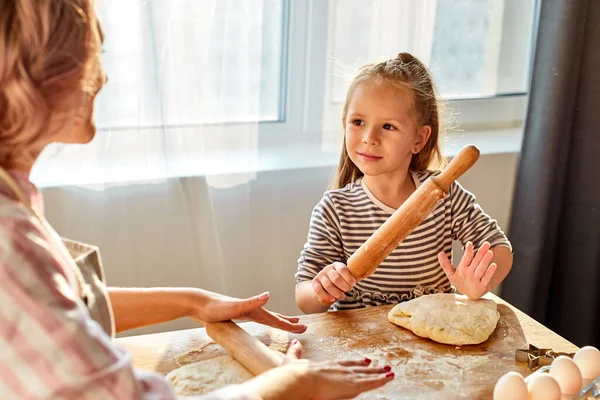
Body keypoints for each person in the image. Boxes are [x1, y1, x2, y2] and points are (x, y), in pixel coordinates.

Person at [0, 1, 394, 398]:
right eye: (90, 55)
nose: (100, 78)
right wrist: (290, 383)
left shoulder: (13, 203)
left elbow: (59, 305)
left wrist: (194, 301)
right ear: (34, 74)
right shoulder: (9, 241)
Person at [295, 53, 514, 314]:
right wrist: (322, 288)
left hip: (431, 342)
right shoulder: (335, 210)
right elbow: (304, 295)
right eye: (358, 122)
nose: (369, 137)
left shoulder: (445, 197)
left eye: (388, 126)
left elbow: (500, 249)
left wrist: (478, 282)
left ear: (419, 139)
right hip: (361, 345)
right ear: (345, 124)